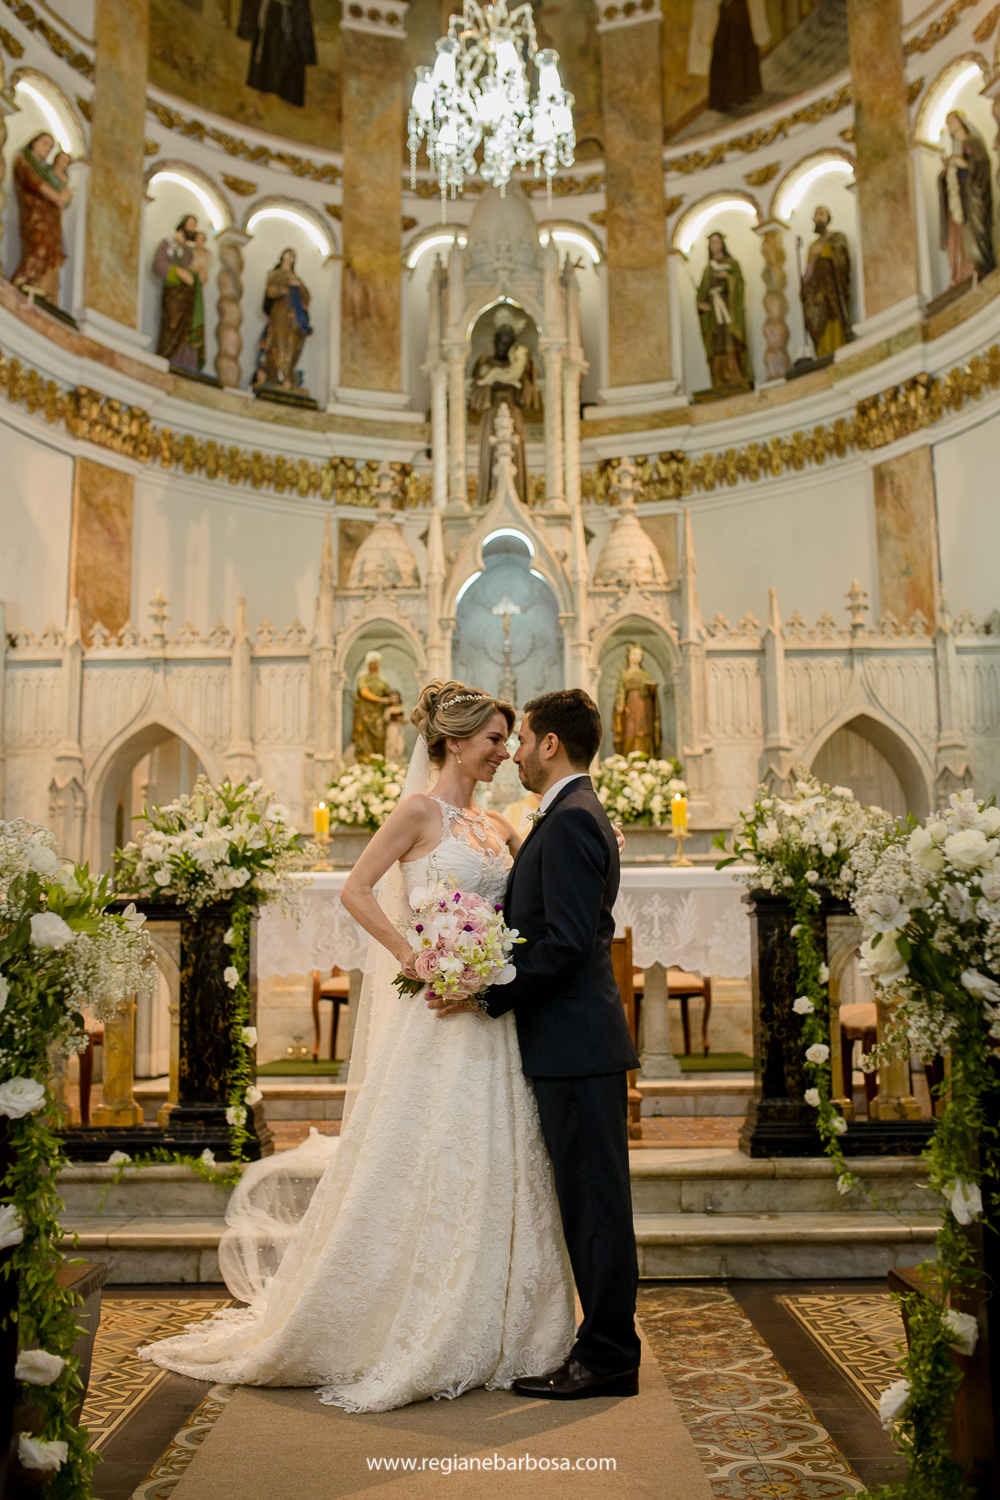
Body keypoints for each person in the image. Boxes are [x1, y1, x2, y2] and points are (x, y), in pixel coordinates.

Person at [138, 681, 575, 1410]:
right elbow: (357, 888)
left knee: (496, 1153)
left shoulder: (497, 824)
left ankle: (505, 1319)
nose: (506, 752)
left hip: (491, 1018)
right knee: (425, 1152)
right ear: (456, 742)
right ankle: (408, 1309)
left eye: (508, 740)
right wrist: (416, 956)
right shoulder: (415, 812)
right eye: (496, 739)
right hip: (436, 1015)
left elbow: (529, 891)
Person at [429, 688, 642, 1400]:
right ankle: (603, 1346)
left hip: (577, 1045)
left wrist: (484, 990)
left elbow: (568, 944)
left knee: (596, 1204)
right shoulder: (569, 818)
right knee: (588, 1200)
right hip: (571, 1044)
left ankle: (608, 1353)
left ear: (551, 744)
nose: (515, 752)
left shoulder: (574, 819)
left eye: (521, 739)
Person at [469, 321, 539, 505]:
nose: (503, 346)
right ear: (495, 342)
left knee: (514, 448)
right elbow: (475, 397)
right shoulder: (486, 366)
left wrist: (522, 379)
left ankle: (518, 496)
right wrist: (495, 384)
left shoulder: (518, 367)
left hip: (513, 414)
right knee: (491, 451)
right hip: (491, 415)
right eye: (500, 341)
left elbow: (529, 398)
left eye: (507, 343)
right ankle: (489, 496)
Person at [11, 132, 72, 303]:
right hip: (36, 215)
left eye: (50, 146)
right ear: (34, 143)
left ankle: (39, 294)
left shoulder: (46, 170)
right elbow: (35, 183)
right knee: (40, 250)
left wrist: (63, 198)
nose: (48, 148)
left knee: (51, 254)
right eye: (45, 143)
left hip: (51, 218)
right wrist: (57, 197)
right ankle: (18, 288)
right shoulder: (24, 161)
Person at [939, 111, 995, 288]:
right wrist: (947, 171)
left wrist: (963, 164)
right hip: (961, 202)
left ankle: (983, 265)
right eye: (948, 123)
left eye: (952, 120)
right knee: (963, 235)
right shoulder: (956, 149)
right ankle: (970, 269)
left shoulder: (972, 142)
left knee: (977, 229)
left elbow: (981, 164)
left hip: (974, 199)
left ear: (962, 121)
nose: (950, 125)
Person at [696, 231, 753, 391]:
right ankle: (719, 380)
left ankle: (736, 376)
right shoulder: (707, 269)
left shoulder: (732, 263)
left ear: (722, 244)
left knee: (730, 340)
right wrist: (701, 305)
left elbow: (740, 284)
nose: (715, 246)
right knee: (717, 344)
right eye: (712, 243)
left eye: (717, 242)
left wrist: (727, 277)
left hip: (729, 311)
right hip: (714, 314)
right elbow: (702, 292)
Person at [252, 248, 313, 393]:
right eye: (288, 253)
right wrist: (285, 290)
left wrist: (298, 289)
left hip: (295, 319)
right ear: (282, 256)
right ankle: (277, 377)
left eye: (293, 254)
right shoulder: (275, 274)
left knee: (292, 346)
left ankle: (288, 377)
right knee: (278, 344)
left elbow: (307, 297)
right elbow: (271, 291)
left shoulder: (296, 278)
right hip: (280, 314)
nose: (291, 256)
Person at [800, 205, 853, 358]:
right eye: (816, 215)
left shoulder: (837, 237)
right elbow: (808, 273)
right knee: (816, 320)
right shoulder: (812, 246)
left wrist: (825, 251)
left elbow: (842, 260)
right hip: (815, 294)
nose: (819, 218)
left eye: (822, 214)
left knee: (833, 316)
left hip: (832, 289)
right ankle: (823, 352)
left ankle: (838, 345)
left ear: (828, 218)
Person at [153, 215, 204, 370]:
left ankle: (186, 366)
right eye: (191, 224)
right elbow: (158, 265)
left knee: (189, 332)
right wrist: (178, 272)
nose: (193, 229)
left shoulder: (191, 252)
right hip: (175, 297)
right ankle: (169, 360)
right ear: (182, 224)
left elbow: (197, 273)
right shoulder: (168, 244)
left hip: (190, 298)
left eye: (195, 226)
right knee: (172, 326)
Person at [351, 651, 392, 761]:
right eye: (372, 663)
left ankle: (379, 762)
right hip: (364, 713)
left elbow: (388, 694)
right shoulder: (363, 677)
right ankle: (364, 762)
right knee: (364, 738)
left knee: (379, 736)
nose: (374, 666)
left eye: (376, 663)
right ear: (368, 664)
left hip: (378, 713)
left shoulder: (381, 680)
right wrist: (379, 699)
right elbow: (364, 692)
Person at [383, 690, 407, 762]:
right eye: (392, 698)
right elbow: (385, 718)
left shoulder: (403, 707)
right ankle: (391, 763)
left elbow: (407, 718)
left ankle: (400, 763)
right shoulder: (389, 709)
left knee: (400, 745)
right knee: (391, 745)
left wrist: (401, 719)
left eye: (396, 698)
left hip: (400, 727)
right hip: (392, 728)